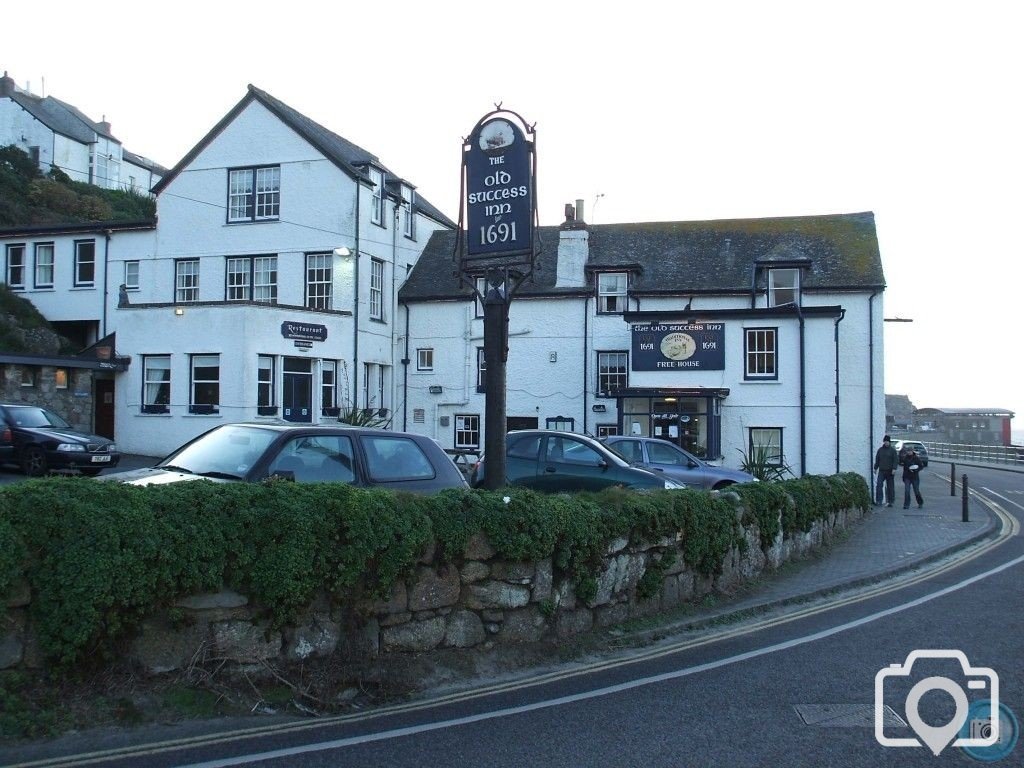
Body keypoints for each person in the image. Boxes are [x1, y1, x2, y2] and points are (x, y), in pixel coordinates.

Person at [873, 435, 899, 507]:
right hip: (882, 470)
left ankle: (891, 501)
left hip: (890, 471)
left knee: (890, 487)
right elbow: (877, 459)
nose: (886, 443)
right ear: (884, 442)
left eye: (887, 441)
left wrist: (894, 468)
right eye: (885, 441)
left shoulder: (892, 450)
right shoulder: (880, 450)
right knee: (879, 485)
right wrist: (875, 468)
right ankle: (879, 500)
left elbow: (895, 460)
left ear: (889, 442)